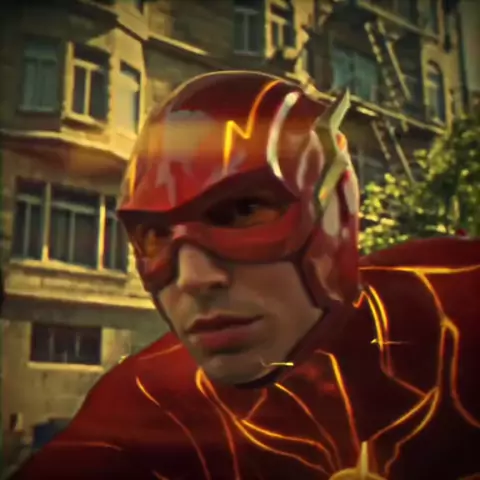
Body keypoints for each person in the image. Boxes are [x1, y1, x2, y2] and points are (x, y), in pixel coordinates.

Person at [12, 71, 480, 480]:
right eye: (155, 235)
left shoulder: (461, 301)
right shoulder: (146, 409)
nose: (193, 277)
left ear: (337, 210)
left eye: (242, 211)